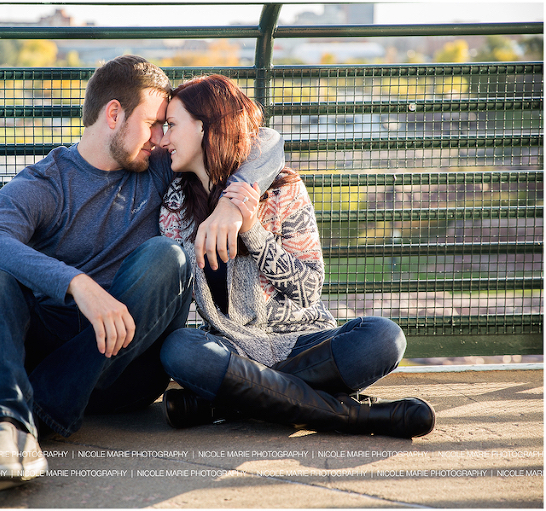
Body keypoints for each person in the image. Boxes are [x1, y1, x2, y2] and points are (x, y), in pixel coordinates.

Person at [0, 57, 285, 498]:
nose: (160, 138)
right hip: (55, 342)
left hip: (128, 369)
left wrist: (232, 205)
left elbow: (267, 140)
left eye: (164, 126)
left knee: (168, 257)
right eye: (152, 124)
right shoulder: (47, 182)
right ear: (113, 114)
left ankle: (3, 418)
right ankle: (11, 429)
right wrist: (79, 286)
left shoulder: (157, 166)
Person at [157, 74, 435, 438]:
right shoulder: (175, 206)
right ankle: (353, 416)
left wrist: (253, 232)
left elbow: (309, 290)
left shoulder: (283, 189)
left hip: (305, 343)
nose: (163, 139)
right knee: (180, 349)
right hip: (234, 351)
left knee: (384, 337)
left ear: (205, 127)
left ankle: (229, 404)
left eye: (172, 125)